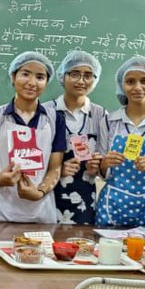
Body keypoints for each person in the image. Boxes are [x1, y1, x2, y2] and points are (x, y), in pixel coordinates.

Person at [0, 51, 72, 223]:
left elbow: (54, 168)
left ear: (46, 82)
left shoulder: (55, 119)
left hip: (40, 211)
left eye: (40, 77)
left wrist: (40, 192)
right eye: (25, 74)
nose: (32, 82)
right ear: (13, 77)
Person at [96, 57, 145, 229]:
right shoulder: (109, 121)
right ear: (121, 85)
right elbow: (100, 169)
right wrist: (105, 164)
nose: (137, 87)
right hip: (113, 204)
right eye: (130, 81)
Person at [49, 50, 109, 225]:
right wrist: (57, 168)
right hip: (48, 194)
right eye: (74, 74)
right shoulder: (46, 111)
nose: (81, 80)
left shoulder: (101, 115)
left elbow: (105, 160)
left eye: (88, 75)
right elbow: (33, 156)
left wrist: (97, 166)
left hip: (84, 197)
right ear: (63, 76)